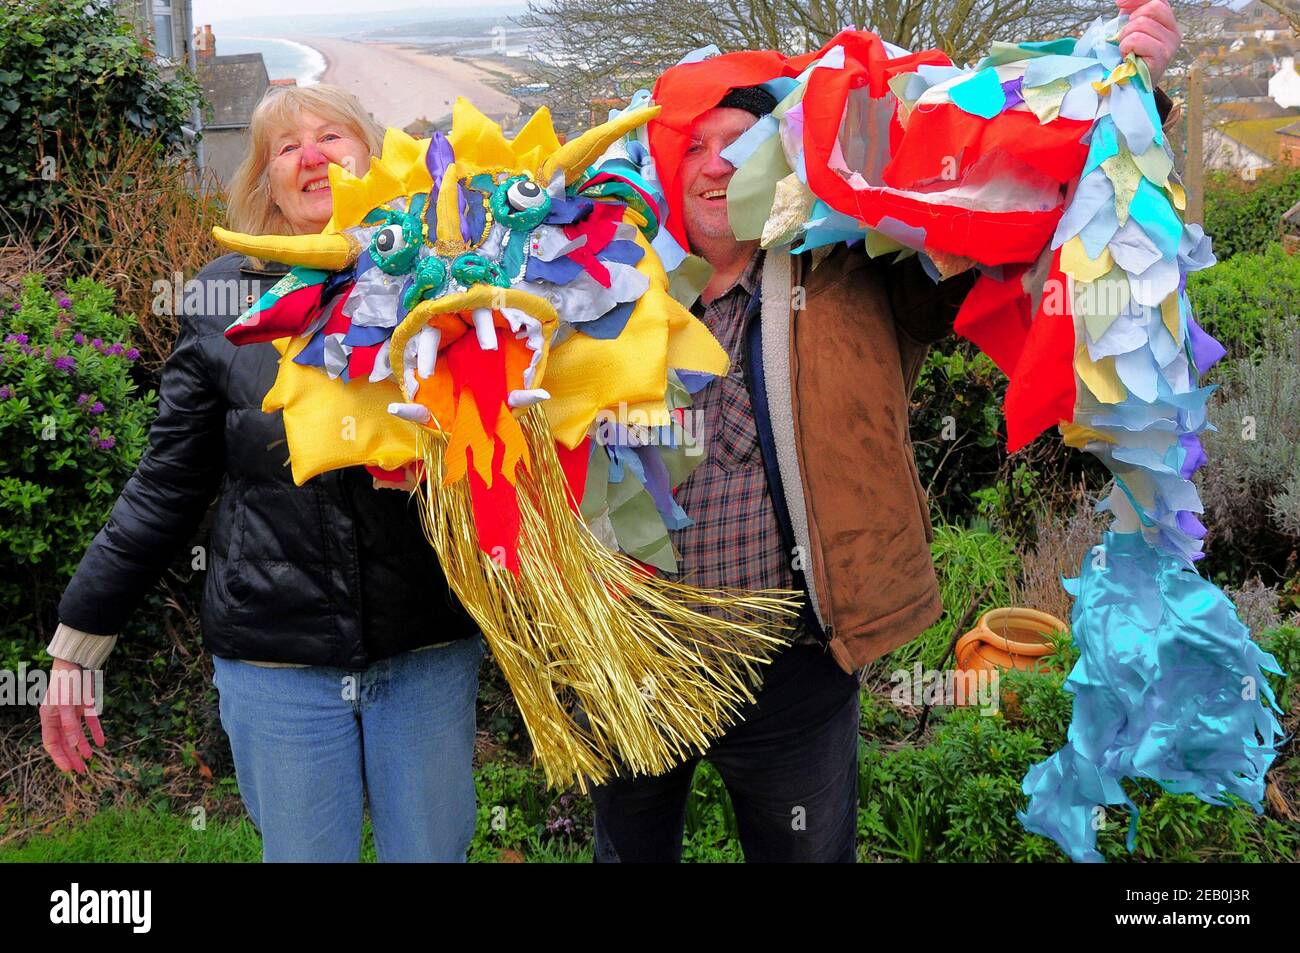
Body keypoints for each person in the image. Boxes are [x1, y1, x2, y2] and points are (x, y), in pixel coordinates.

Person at [589, 1, 1185, 862]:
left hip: (792, 664)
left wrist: (1128, 93)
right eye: (694, 145)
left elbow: (1007, 206)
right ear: (664, 164)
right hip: (636, 658)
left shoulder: (855, 263)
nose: (715, 165)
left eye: (739, 143)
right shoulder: (613, 289)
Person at [38, 84, 485, 863]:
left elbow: (514, 447)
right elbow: (167, 484)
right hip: (276, 654)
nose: (311, 157)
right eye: (287, 147)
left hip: (424, 643)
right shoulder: (223, 296)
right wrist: (78, 643)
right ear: (267, 179)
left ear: (371, 153)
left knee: (434, 852)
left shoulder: (449, 273)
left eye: (331, 136)